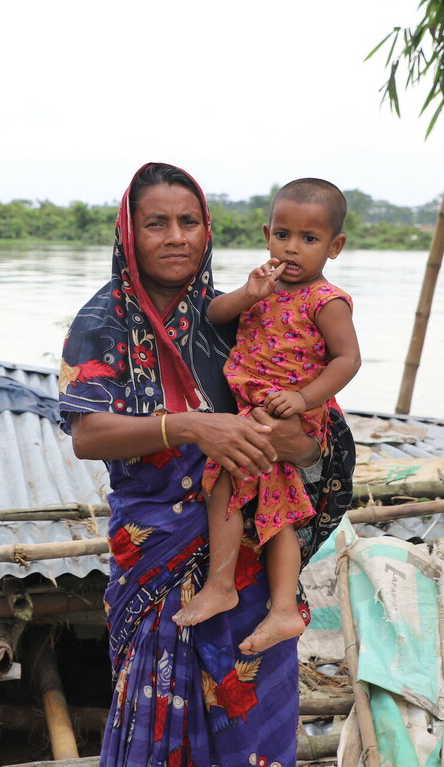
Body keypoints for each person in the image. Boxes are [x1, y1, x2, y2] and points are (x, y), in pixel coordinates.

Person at [60, 163, 354, 766]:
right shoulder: (102, 322)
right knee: (159, 712)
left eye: (189, 221)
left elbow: (322, 438)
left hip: (253, 550)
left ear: (208, 230)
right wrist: (189, 425)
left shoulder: (243, 314)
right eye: (156, 224)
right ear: (128, 233)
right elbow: (88, 435)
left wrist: (295, 442)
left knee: (250, 726)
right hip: (158, 551)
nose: (176, 237)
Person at [172, 179, 360, 657]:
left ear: (334, 246)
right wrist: (248, 293)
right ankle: (274, 607)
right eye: (282, 235)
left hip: (291, 413)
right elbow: (214, 314)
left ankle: (232, 589)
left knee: (232, 488)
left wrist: (302, 398)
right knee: (275, 504)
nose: (292, 249)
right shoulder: (265, 287)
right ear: (267, 234)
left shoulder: (327, 300)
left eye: (309, 239)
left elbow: (346, 360)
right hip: (254, 410)